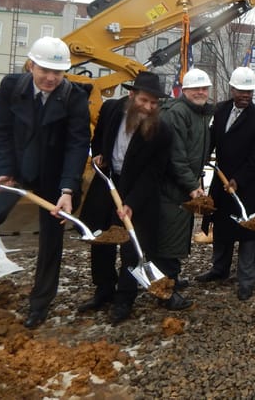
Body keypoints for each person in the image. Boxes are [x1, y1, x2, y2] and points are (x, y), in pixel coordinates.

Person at [0, 36, 90, 329]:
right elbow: (0, 131)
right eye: (44, 70)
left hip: (54, 175)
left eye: (57, 72)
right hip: (16, 169)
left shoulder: (74, 97)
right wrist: (5, 169)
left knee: (52, 236)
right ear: (31, 65)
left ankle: (40, 303)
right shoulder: (12, 87)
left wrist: (67, 190)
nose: (50, 78)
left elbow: (77, 144)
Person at [78, 71, 174, 324]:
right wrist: (99, 154)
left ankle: (124, 298)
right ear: (131, 95)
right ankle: (104, 289)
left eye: (154, 103)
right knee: (102, 239)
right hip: (108, 183)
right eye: (144, 101)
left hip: (139, 190)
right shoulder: (110, 110)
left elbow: (154, 173)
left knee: (133, 246)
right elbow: (98, 136)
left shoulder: (161, 131)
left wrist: (131, 202)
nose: (149, 107)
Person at [197, 67, 255, 301]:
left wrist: (238, 180)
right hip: (221, 181)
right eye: (241, 90)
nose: (245, 95)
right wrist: (200, 162)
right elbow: (212, 141)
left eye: (249, 91)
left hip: (247, 186)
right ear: (232, 88)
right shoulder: (220, 111)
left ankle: (246, 280)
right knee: (221, 228)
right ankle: (219, 269)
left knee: (246, 232)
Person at [152, 68, 214, 297]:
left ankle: (173, 278)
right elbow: (176, 157)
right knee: (168, 238)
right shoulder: (177, 113)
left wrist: (195, 181)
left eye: (204, 88)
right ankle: (166, 291)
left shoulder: (198, 113)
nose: (200, 92)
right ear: (184, 90)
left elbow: (194, 153)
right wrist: (191, 185)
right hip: (171, 188)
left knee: (176, 235)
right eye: (195, 88)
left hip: (182, 186)